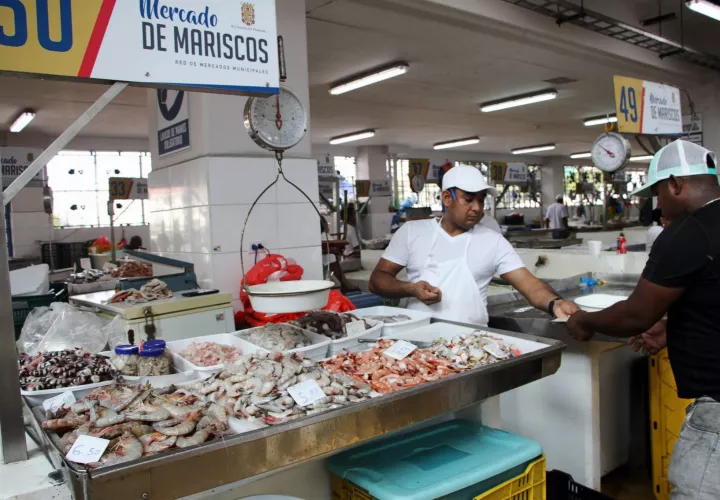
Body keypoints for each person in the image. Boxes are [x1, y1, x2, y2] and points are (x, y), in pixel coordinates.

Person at [566, 140, 720, 500]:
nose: (657, 205)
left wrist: (586, 321)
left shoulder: (688, 233)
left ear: (675, 185)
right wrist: (675, 327)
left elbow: (635, 315)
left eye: (657, 193)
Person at [368, 165, 579, 325]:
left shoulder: (493, 241)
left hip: (471, 342)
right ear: (446, 198)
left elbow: (530, 285)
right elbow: (377, 280)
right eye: (468, 199)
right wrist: (411, 289)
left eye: (481, 200)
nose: (477, 208)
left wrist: (555, 304)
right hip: (418, 340)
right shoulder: (412, 232)